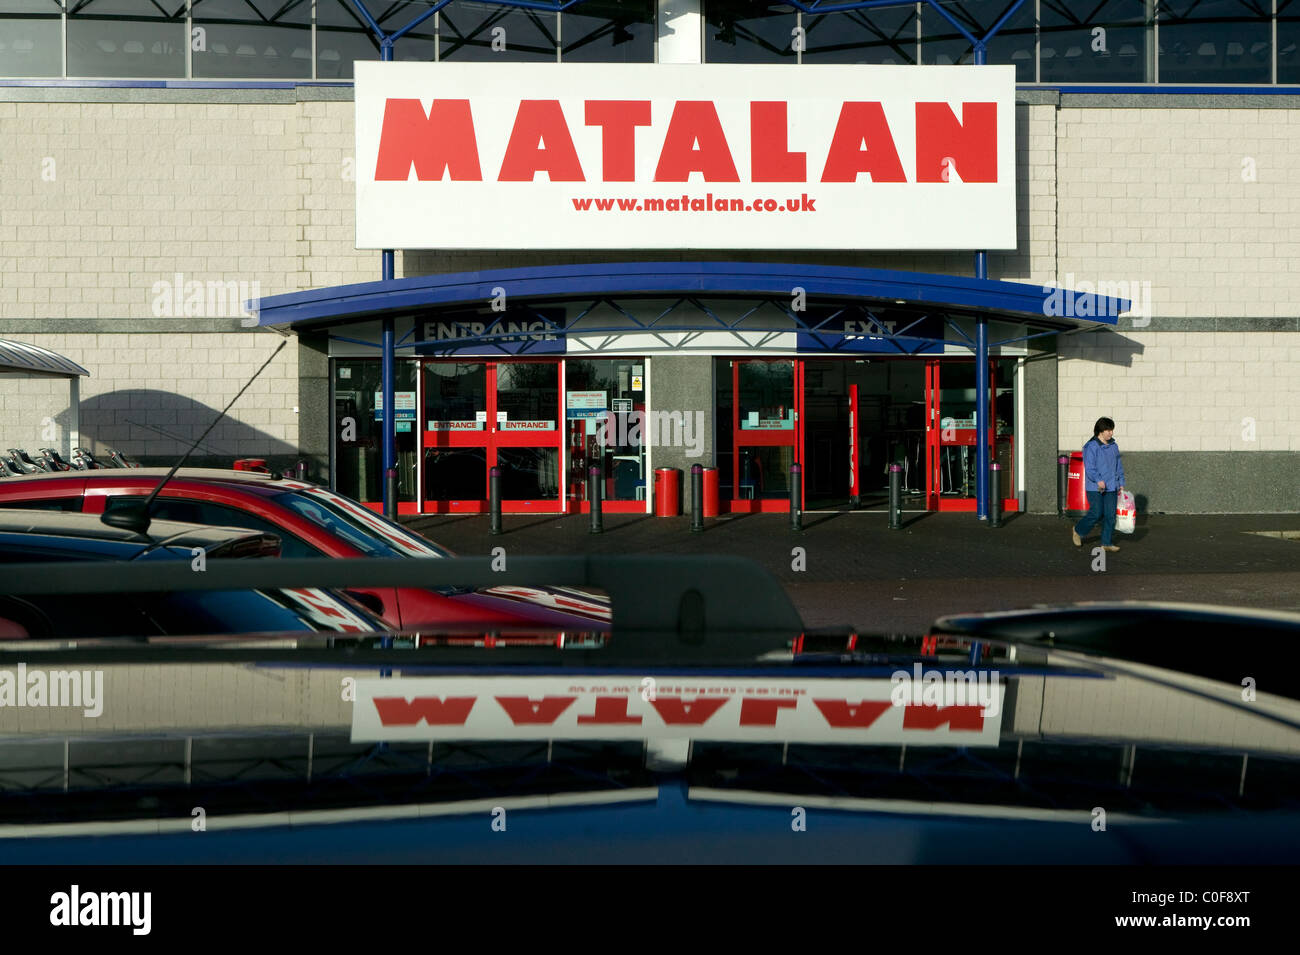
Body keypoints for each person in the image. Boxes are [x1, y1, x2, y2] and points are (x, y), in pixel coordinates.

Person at [1072, 417, 1126, 553]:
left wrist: (1121, 482)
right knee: (1096, 513)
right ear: (1100, 431)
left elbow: (1118, 466)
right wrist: (1098, 480)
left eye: (1112, 430)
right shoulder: (1091, 447)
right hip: (1095, 487)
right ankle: (1078, 530)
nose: (1111, 433)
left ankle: (1106, 542)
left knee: (1110, 515)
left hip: (1112, 485)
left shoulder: (1114, 445)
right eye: (1108, 430)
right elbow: (1090, 468)